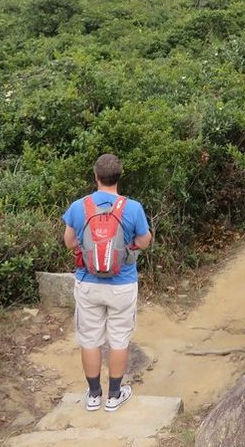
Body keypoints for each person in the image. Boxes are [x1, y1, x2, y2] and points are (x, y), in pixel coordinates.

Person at [62, 153, 152, 412]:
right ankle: (114, 396)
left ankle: (93, 396)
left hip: (88, 283)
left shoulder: (79, 206)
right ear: (119, 177)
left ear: (95, 176)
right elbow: (144, 242)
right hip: (122, 283)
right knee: (119, 339)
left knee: (90, 339)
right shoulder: (132, 207)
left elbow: (69, 242)